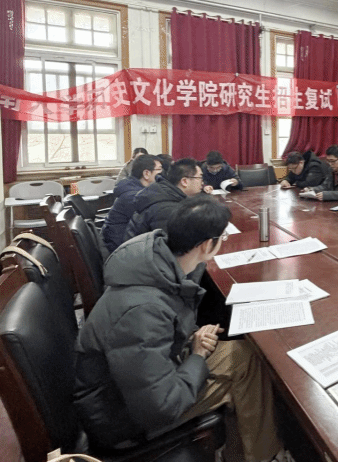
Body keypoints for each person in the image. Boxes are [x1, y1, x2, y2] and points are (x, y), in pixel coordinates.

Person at [73, 196, 289, 462]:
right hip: (122, 419)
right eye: (222, 238)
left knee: (244, 355)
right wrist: (197, 354)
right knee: (241, 376)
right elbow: (161, 407)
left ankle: (247, 454)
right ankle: (261, 456)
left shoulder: (156, 264)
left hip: (144, 380)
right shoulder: (142, 311)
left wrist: (191, 339)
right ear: (207, 245)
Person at [125, 158, 205, 240]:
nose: (202, 182)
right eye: (200, 177)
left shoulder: (167, 195)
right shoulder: (167, 209)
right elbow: (168, 244)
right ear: (184, 181)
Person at [102, 154, 163, 253]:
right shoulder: (134, 197)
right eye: (159, 169)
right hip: (121, 248)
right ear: (146, 173)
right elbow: (152, 221)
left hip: (124, 242)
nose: (162, 174)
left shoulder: (132, 187)